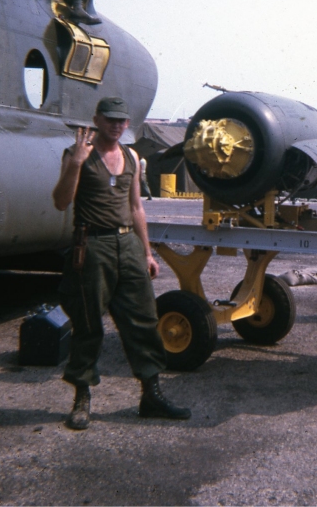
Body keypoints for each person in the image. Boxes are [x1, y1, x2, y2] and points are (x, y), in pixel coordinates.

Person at [52, 97, 190, 430]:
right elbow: (60, 202)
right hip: (92, 245)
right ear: (96, 119)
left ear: (127, 124)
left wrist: (146, 252)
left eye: (121, 120)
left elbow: (137, 208)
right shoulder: (76, 155)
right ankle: (82, 398)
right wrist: (77, 163)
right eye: (110, 119)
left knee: (143, 319)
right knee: (88, 325)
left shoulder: (132, 157)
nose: (116, 125)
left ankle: (151, 395)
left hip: (128, 243)